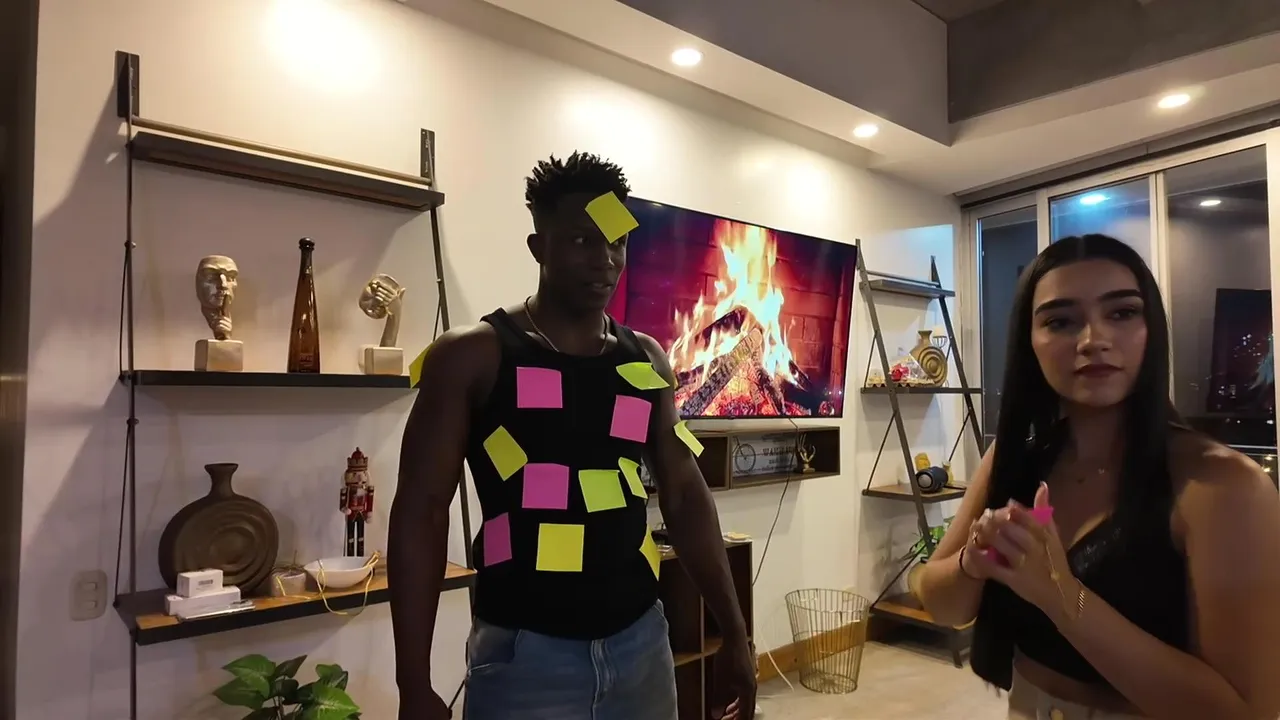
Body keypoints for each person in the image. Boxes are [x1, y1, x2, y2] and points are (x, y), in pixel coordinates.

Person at [388, 151, 757, 720]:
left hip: (642, 647)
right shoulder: (472, 356)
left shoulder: (646, 359)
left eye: (617, 243)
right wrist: (412, 682)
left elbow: (685, 495)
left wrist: (735, 631)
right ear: (539, 247)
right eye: (583, 241)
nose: (605, 260)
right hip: (524, 658)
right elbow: (422, 511)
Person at [917, 234, 1280, 719]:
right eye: (1060, 321)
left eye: (1122, 312)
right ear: (1029, 342)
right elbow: (942, 604)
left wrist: (1061, 595)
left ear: (1152, 330)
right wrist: (973, 561)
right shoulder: (1014, 459)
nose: (1093, 340)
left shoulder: (1221, 485)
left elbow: (1248, 712)